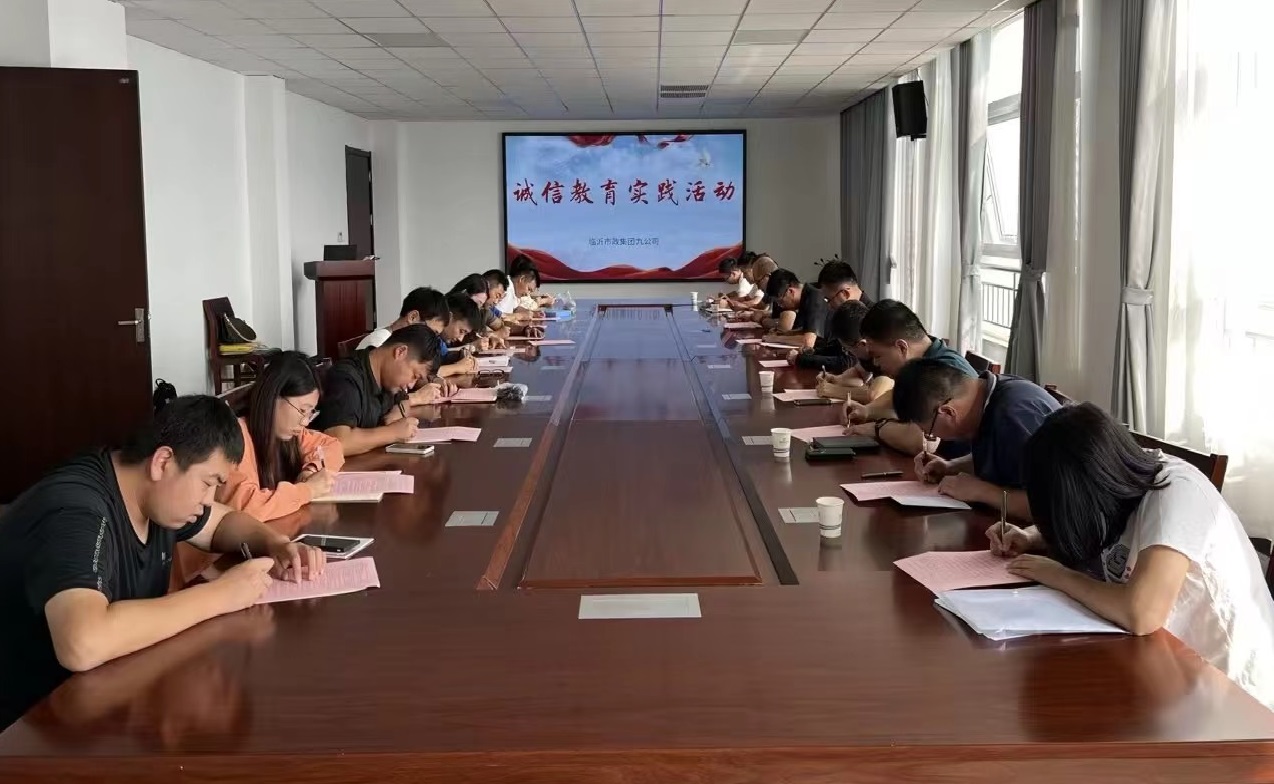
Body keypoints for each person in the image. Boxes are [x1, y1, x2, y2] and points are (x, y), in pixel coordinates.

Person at [0, 396, 326, 730]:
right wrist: (221, 595)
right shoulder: (78, 511)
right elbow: (81, 643)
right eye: (207, 483)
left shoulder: (155, 496)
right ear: (163, 461)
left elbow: (221, 522)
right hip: (26, 727)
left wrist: (275, 543)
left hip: (97, 698)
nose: (207, 501)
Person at [993, 402, 1274, 710]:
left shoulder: (1176, 496)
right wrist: (1032, 536)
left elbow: (1140, 613)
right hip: (1162, 667)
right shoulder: (1120, 476)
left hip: (1232, 696)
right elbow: (1099, 525)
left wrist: (1057, 574)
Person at [890, 358, 1060, 520]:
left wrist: (982, 492)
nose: (934, 437)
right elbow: (1004, 457)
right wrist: (951, 466)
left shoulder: (1015, 416)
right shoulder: (985, 396)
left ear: (947, 412)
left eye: (929, 432)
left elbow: (1052, 507)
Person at [218, 351, 345, 520]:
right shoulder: (235, 438)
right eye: (302, 410)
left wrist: (310, 471)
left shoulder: (291, 434)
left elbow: (332, 446)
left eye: (310, 412)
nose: (305, 421)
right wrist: (307, 490)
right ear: (273, 397)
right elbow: (247, 508)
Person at [840, 300, 977, 453]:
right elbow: (898, 397)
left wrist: (876, 428)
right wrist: (867, 410)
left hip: (956, 464)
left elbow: (918, 442)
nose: (876, 363)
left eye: (877, 356)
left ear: (901, 347)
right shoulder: (927, 357)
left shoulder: (942, 369)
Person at [312, 324, 442, 456]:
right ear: (400, 352)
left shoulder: (389, 378)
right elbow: (339, 442)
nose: (411, 385)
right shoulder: (346, 378)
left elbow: (404, 400)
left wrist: (397, 412)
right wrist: (393, 432)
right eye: (414, 375)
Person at [801, 301, 891, 406]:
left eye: (846, 349)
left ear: (862, 344)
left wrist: (833, 390)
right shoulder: (868, 351)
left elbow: (874, 395)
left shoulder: (886, 353)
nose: (847, 353)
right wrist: (834, 379)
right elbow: (858, 373)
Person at [357, 287, 448, 350]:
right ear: (413, 317)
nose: (432, 340)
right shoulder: (379, 343)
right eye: (432, 333)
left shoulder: (402, 343)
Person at [763, 268, 828, 350]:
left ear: (791, 291)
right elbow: (806, 331)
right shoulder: (805, 296)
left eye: (780, 302)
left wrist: (776, 339)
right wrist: (783, 334)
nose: (780, 306)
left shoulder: (814, 298)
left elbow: (808, 342)